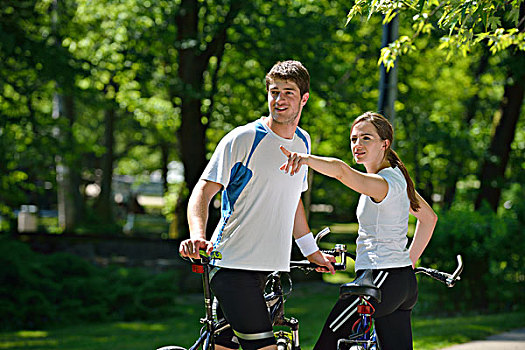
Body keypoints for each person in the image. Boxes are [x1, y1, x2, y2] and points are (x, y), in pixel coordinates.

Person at [179, 60, 336, 350]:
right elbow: (202, 191)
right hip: (231, 264)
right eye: (274, 91)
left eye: (288, 92)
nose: (279, 99)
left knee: (224, 346)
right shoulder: (244, 138)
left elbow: (294, 202)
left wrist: (311, 252)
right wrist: (198, 235)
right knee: (264, 347)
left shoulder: (303, 142)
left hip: (265, 269)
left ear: (304, 98)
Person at [280, 112, 438, 350]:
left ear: (384, 144)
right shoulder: (398, 179)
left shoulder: (382, 183)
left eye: (366, 138)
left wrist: (305, 159)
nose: (357, 145)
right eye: (354, 139)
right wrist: (408, 261)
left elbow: (341, 171)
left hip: (379, 281)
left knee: (327, 344)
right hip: (400, 282)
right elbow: (429, 218)